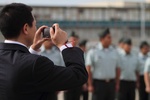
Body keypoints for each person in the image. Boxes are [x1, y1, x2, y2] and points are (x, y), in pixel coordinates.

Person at [0, 3, 88, 100]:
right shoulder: (36, 64)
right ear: (25, 28)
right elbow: (78, 75)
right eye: (34, 25)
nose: (36, 29)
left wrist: (33, 50)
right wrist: (64, 45)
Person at [86, 28, 120, 100]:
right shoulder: (93, 51)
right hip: (98, 84)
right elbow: (88, 69)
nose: (110, 39)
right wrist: (90, 84)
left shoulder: (115, 51)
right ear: (102, 39)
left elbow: (118, 68)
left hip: (111, 84)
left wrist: (117, 83)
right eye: (108, 37)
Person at [64, 32, 81, 100]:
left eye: (75, 40)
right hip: (67, 81)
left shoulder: (79, 52)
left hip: (77, 81)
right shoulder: (64, 51)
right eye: (71, 40)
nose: (73, 42)